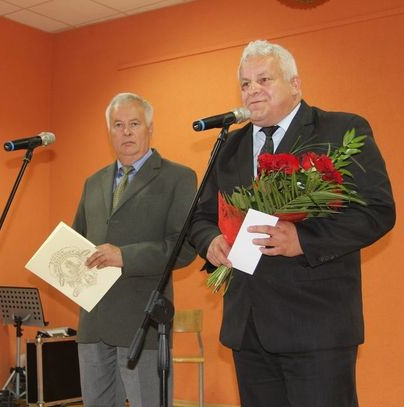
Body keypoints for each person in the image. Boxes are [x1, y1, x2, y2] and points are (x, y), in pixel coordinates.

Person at [189, 40, 395, 407]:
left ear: (295, 84)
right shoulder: (229, 147)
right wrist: (210, 242)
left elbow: (377, 211)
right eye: (245, 83)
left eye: (264, 79)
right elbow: (200, 218)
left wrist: (304, 239)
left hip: (316, 328)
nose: (252, 90)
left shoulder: (339, 130)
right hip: (248, 329)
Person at [72, 92, 197, 407]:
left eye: (134, 124)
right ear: (109, 132)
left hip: (142, 322)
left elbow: (183, 247)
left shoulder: (178, 177)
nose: (126, 132)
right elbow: (77, 241)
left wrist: (124, 256)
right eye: (118, 125)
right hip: (93, 323)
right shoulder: (93, 182)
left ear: (150, 128)